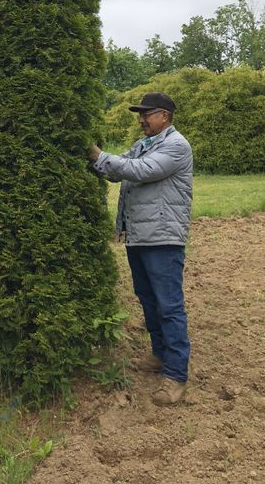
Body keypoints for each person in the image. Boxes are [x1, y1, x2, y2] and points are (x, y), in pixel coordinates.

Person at [89, 92, 193, 406]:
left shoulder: (176, 146)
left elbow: (140, 171)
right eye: (141, 114)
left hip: (163, 239)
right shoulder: (142, 145)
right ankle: (160, 355)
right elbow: (117, 169)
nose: (141, 119)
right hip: (140, 236)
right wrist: (92, 160)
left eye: (146, 114)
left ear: (164, 116)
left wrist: (97, 154)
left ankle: (176, 375)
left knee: (169, 306)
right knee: (148, 300)